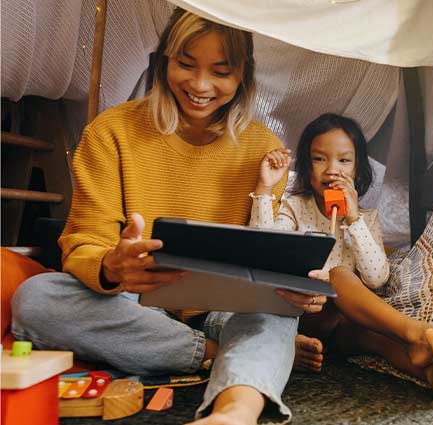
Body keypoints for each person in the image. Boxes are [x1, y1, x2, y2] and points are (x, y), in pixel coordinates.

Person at [10, 9, 317, 425]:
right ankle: (225, 355)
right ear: (164, 60)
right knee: (36, 299)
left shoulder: (264, 148)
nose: (201, 85)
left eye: (221, 72)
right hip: (133, 303)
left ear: (243, 76)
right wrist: (111, 265)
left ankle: (233, 414)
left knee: (275, 314)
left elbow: (261, 253)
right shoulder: (111, 131)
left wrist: (293, 285)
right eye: (186, 64)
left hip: (221, 309)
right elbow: (83, 242)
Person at [250, 113, 433, 405]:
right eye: (319, 159)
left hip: (343, 330)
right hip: (303, 317)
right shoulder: (295, 207)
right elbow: (264, 251)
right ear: (306, 167)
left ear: (358, 170)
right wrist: (264, 189)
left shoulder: (363, 219)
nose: (331, 170)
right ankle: (416, 331)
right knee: (338, 274)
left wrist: (352, 220)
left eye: (344, 161)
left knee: (377, 340)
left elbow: (377, 277)